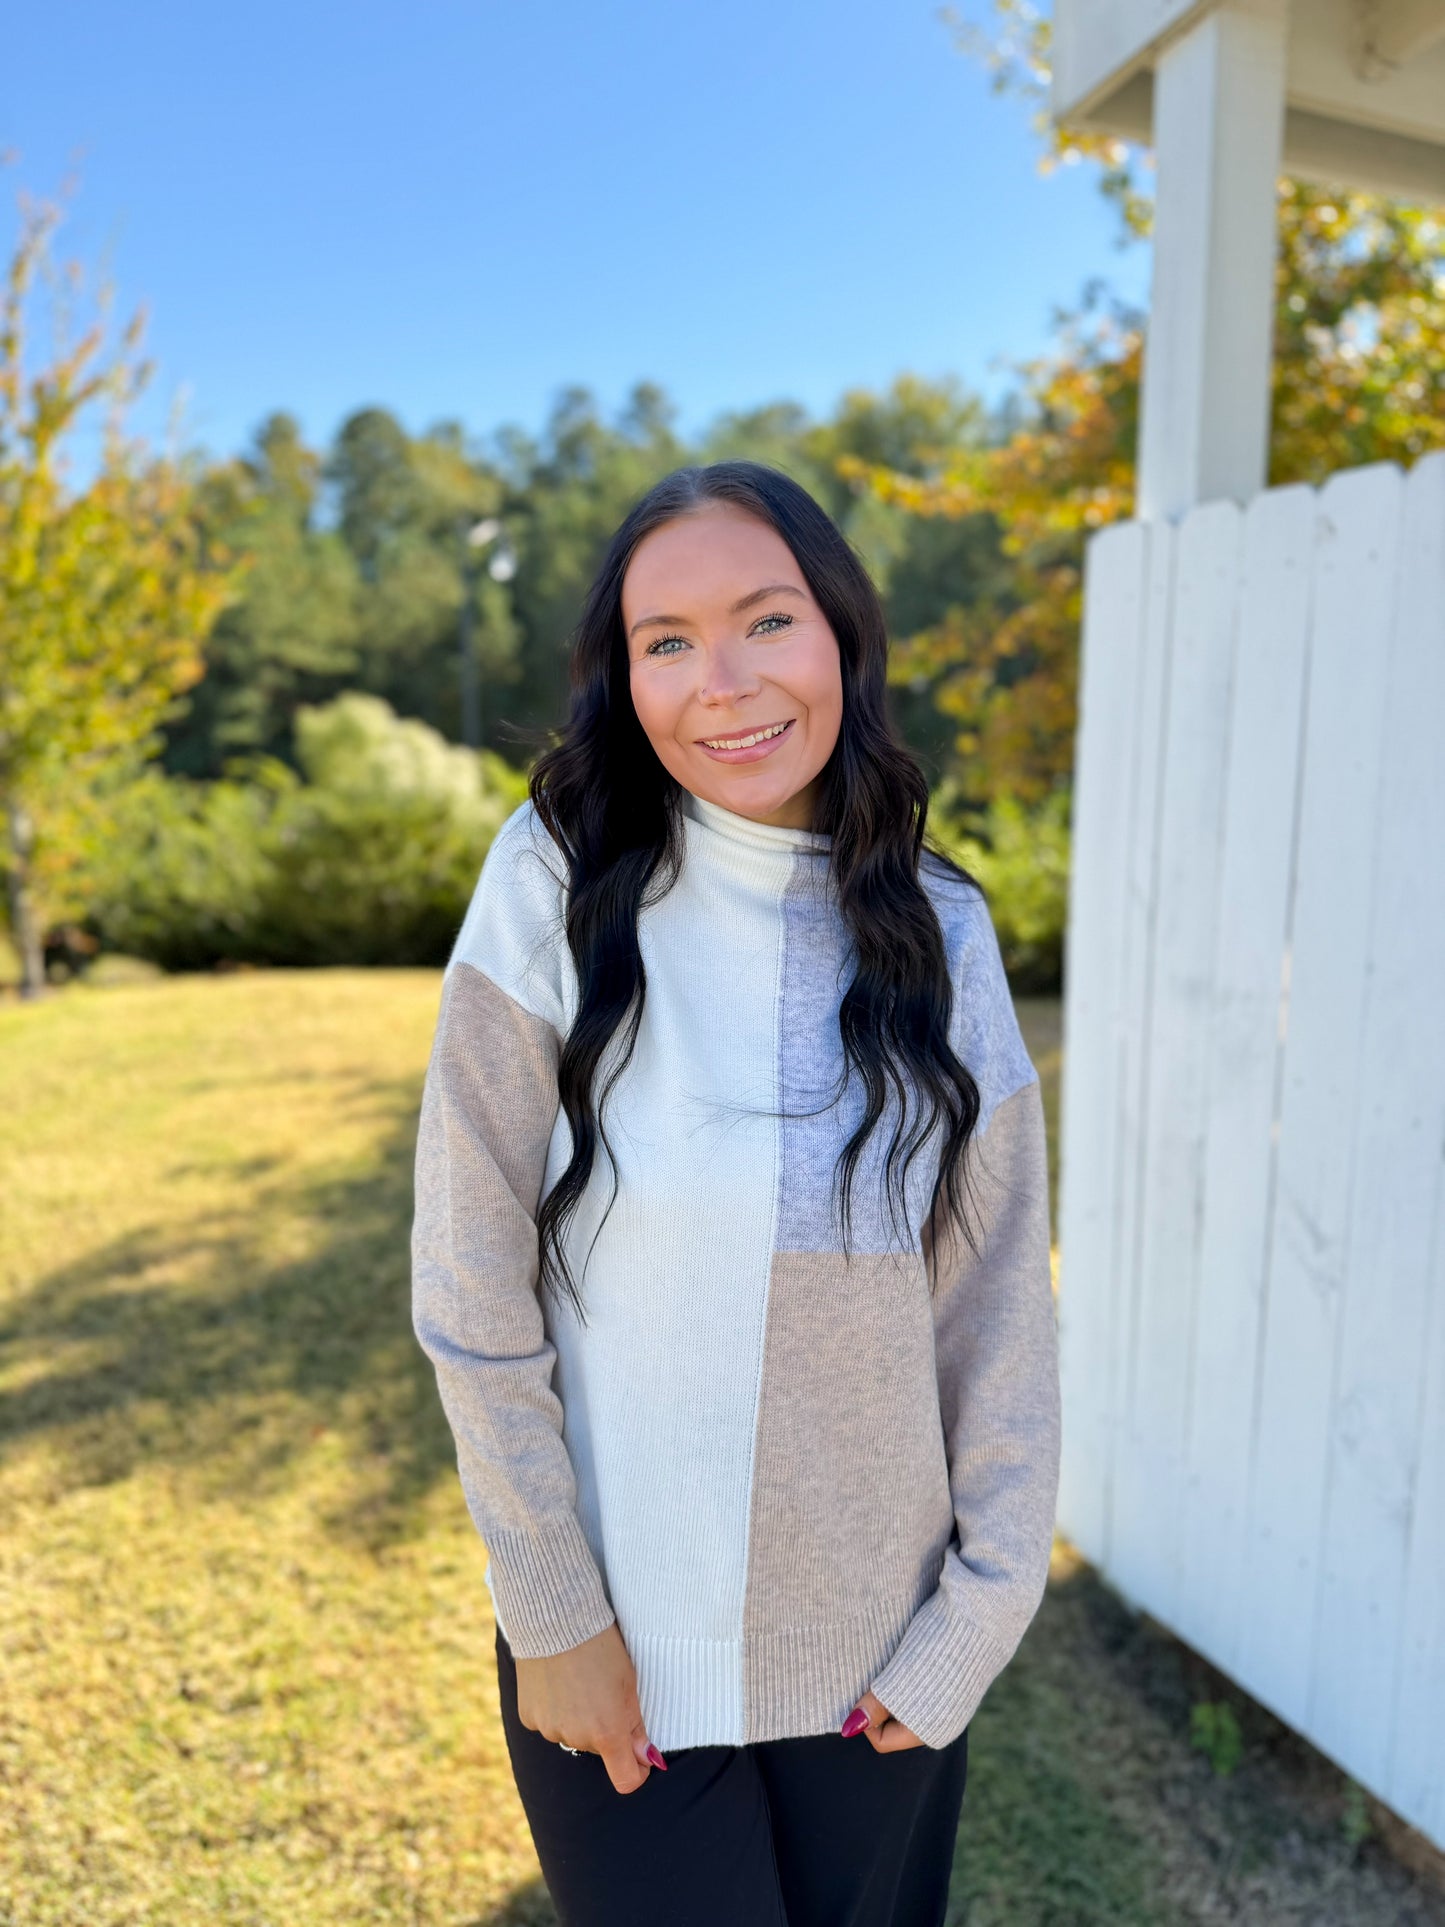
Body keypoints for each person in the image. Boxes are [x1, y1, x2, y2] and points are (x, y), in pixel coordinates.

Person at [411, 460, 1061, 1926]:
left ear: (839, 632)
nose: (724, 683)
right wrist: (551, 1616)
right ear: (620, 678)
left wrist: (979, 1615)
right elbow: (469, 1282)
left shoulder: (941, 929)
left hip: (880, 1667)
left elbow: (997, 1305)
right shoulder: (552, 881)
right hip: (615, 1658)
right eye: (666, 642)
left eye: (766, 620)